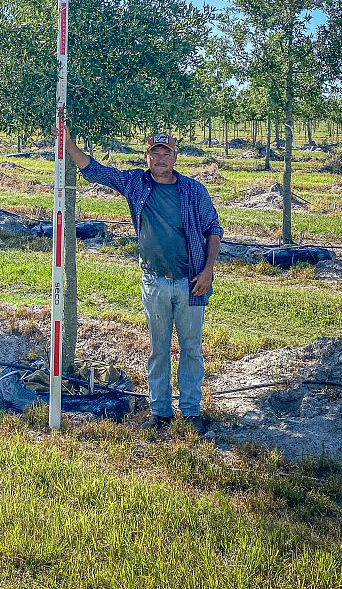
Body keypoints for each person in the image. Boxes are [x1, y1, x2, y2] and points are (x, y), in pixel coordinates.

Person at [60, 126, 223, 434]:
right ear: (146, 156)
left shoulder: (193, 190)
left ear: (175, 157)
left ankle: (190, 413)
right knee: (158, 349)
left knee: (191, 349)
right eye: (155, 153)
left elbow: (213, 229)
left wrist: (208, 270)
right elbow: (95, 171)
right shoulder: (136, 183)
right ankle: (160, 412)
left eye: (167, 153)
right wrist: (68, 142)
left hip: (192, 283)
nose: (161, 159)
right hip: (155, 282)